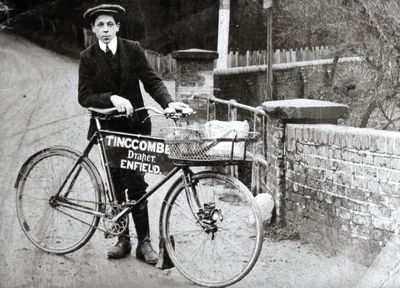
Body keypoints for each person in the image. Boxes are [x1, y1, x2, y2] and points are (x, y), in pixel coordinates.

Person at [78, 4, 189, 263]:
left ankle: (145, 243)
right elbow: (84, 96)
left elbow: (152, 80)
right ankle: (122, 240)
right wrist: (112, 98)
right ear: (93, 29)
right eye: (100, 25)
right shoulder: (87, 57)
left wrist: (168, 103)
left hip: (135, 128)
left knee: (137, 185)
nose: (105, 30)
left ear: (118, 27)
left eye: (110, 24)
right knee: (116, 183)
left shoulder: (133, 49)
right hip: (108, 129)